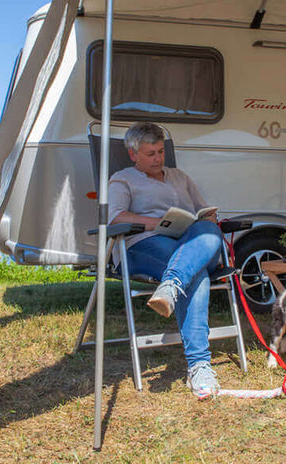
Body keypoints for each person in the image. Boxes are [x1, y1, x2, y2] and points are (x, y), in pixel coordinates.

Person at [108, 121, 222, 396]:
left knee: (208, 230)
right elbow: (116, 217)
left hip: (188, 244)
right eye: (151, 154)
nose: (159, 158)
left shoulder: (180, 176)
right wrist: (157, 222)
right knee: (197, 273)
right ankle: (199, 366)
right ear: (133, 154)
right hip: (144, 245)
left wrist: (207, 217)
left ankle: (171, 285)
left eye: (161, 151)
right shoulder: (122, 179)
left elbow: (202, 211)